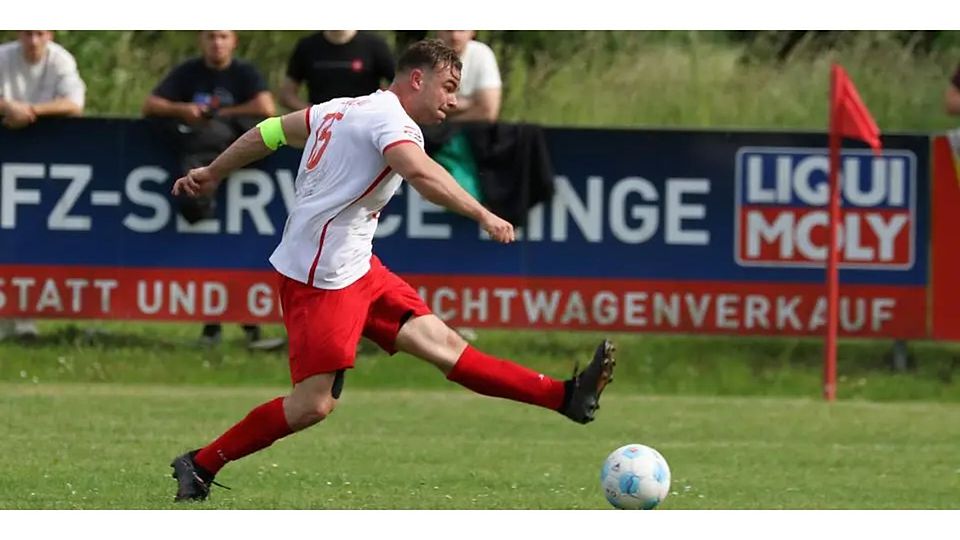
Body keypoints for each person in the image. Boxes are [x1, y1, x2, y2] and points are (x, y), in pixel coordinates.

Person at [168, 39, 616, 502]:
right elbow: (420, 174)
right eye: (447, 87)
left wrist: (215, 170)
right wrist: (483, 214)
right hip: (321, 279)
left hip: (356, 267)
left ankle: (566, 397)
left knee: (447, 348)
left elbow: (269, 132)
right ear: (416, 79)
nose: (453, 100)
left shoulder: (342, 107)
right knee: (312, 405)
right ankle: (200, 463)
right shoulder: (391, 122)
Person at [142, 30, 283, 350]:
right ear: (200, 41)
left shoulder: (245, 73)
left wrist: (219, 115)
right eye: (210, 37)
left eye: (222, 36)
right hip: (203, 171)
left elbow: (265, 106)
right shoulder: (188, 72)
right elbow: (150, 104)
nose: (216, 43)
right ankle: (199, 190)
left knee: (247, 254)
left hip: (248, 178)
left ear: (233, 41)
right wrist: (184, 110)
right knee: (205, 245)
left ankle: (248, 322)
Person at [0, 30, 86, 341]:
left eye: (39, 33)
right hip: (6, 162)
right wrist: (6, 106)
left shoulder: (61, 60)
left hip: (45, 165)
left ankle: (24, 322)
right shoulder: (3, 57)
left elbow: (74, 104)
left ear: (48, 34)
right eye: (26, 33)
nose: (33, 40)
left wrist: (31, 111)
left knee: (29, 239)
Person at [278, 30, 395, 111]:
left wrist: (379, 107)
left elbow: (399, 85)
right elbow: (286, 95)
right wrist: (314, 113)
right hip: (321, 130)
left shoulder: (375, 46)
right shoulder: (307, 46)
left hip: (365, 126)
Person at [435, 31, 501, 122]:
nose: (454, 36)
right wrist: (470, 103)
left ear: (473, 32)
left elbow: (488, 111)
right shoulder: (425, 55)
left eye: (461, 30)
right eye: (448, 29)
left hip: (471, 132)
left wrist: (445, 125)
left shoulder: (482, 54)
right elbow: (420, 105)